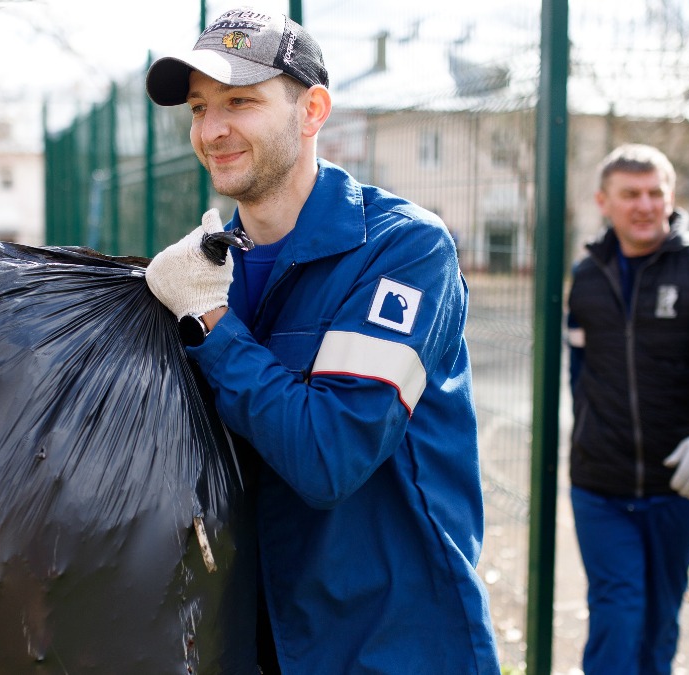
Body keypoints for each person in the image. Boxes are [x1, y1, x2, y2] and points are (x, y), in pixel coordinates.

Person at [142, 6, 500, 674]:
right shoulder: (210, 270)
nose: (212, 130)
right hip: (260, 639)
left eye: (240, 101)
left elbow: (327, 456)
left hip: (395, 643)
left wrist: (211, 322)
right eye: (197, 108)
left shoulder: (402, 251)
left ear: (312, 110)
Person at [565, 143, 689, 674]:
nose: (646, 205)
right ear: (603, 201)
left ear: (671, 196)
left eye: (656, 193)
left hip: (679, 483)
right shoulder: (586, 279)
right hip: (599, 484)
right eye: (630, 194)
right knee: (617, 610)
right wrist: (586, 434)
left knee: (659, 615)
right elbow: (579, 375)